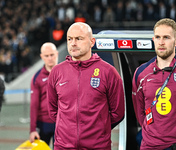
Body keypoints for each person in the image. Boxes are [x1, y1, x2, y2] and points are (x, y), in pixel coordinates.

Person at [47, 22, 125, 150]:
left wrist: (98, 129)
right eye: (69, 39)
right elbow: (53, 111)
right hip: (63, 146)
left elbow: (118, 112)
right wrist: (69, 129)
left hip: (97, 146)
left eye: (79, 39)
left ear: (92, 41)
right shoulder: (56, 72)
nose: (73, 43)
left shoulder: (109, 72)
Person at [132, 18, 176, 150]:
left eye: (166, 37)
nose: (161, 42)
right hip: (150, 146)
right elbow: (139, 113)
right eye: (158, 37)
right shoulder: (141, 73)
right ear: (153, 40)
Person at [29, 42, 58, 147]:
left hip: (61, 123)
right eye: (46, 55)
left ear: (57, 54)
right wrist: (32, 129)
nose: (50, 58)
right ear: (41, 57)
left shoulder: (65, 73)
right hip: (43, 123)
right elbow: (34, 105)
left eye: (52, 55)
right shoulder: (37, 77)